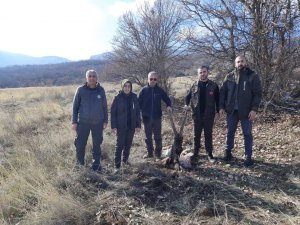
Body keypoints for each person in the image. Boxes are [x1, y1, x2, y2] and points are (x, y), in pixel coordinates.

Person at [220, 56, 262, 167]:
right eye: (238, 62)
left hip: (246, 111)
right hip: (231, 111)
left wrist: (254, 109)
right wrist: (221, 107)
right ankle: (228, 152)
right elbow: (222, 93)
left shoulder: (252, 76)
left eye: (242, 61)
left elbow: (257, 94)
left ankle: (248, 156)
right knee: (230, 132)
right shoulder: (229, 77)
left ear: (246, 62)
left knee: (247, 134)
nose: (240, 63)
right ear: (235, 64)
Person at [72, 69, 108, 172]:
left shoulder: (101, 90)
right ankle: (80, 165)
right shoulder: (80, 90)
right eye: (90, 76)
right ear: (86, 78)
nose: (92, 78)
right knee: (80, 144)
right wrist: (74, 121)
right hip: (83, 122)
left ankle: (96, 165)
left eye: (94, 76)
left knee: (97, 144)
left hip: (98, 122)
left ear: (96, 78)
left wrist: (105, 121)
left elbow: (105, 107)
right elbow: (75, 107)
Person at [184, 65, 220, 164]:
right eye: (200, 72)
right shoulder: (194, 85)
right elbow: (187, 97)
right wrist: (186, 105)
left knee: (208, 135)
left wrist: (218, 110)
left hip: (209, 115)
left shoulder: (213, 85)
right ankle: (195, 153)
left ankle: (209, 154)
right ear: (198, 74)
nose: (202, 74)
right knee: (196, 135)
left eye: (204, 72)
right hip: (197, 115)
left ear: (207, 72)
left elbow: (218, 99)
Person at [138, 71, 172, 159]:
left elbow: (167, 99)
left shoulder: (159, 90)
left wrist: (169, 106)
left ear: (157, 80)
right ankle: (149, 153)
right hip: (146, 118)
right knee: (148, 137)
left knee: (158, 136)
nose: (153, 80)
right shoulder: (143, 90)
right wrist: (139, 114)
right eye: (151, 79)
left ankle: (158, 154)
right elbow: (138, 103)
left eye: (154, 79)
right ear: (148, 79)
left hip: (157, 117)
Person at [111, 79, 141, 173]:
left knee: (128, 145)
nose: (127, 88)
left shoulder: (134, 97)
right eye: (125, 86)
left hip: (131, 126)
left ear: (131, 87)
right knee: (119, 145)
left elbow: (137, 112)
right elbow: (113, 113)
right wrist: (113, 126)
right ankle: (117, 166)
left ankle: (125, 161)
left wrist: (138, 125)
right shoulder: (117, 98)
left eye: (129, 86)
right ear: (122, 86)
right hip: (121, 126)